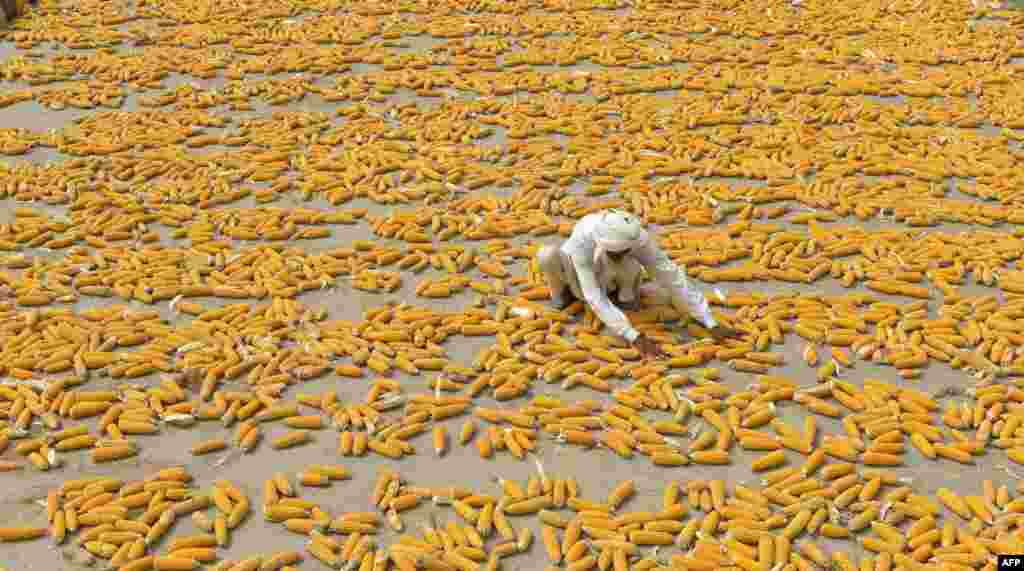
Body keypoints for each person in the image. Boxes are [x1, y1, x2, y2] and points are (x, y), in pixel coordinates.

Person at [536, 209, 742, 357]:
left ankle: (625, 297)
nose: (622, 254)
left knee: (633, 266)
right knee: (547, 255)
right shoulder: (584, 237)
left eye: (625, 251)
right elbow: (593, 295)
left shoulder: (638, 238)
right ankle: (562, 293)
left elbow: (671, 276)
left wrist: (709, 320)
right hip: (582, 274)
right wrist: (633, 336)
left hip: (612, 278)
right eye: (617, 252)